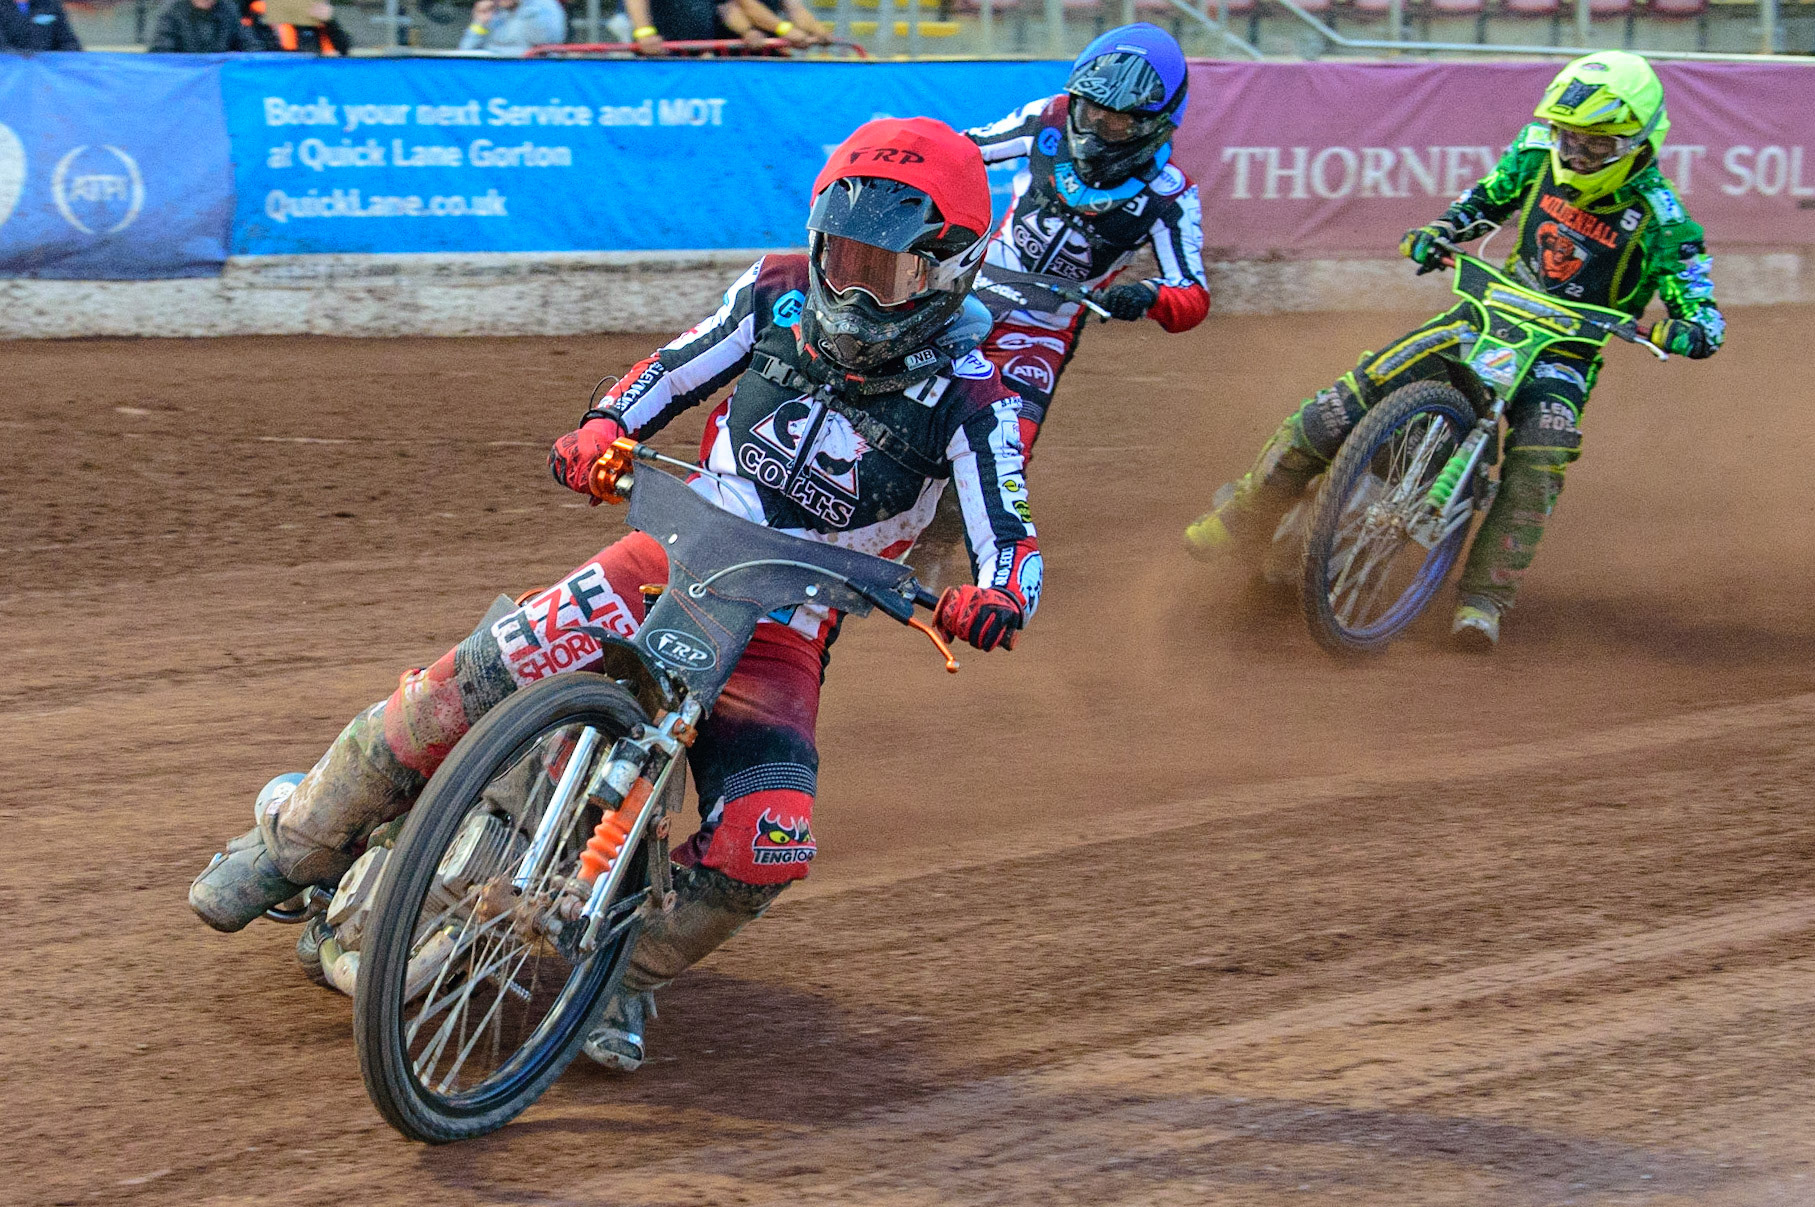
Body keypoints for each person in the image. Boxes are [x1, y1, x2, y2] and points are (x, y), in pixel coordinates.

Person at [187, 117, 1042, 1073]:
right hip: (665, 558)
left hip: (783, 625)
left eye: (882, 271)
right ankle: (291, 846)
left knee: (767, 841)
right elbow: (671, 369)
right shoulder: (774, 295)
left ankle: (617, 973)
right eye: (840, 257)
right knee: (470, 678)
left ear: (951, 269)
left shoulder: (977, 398)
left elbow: (1010, 533)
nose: (850, 289)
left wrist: (999, 595)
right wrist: (603, 424)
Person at [1183, 51, 1725, 648]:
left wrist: (1685, 330)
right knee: (1343, 402)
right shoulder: (1535, 152)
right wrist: (1440, 231)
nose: (1575, 155)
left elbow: (1703, 313)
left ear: (1641, 140)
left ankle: (1483, 600)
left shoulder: (1665, 220)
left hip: (1563, 354)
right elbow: (1485, 202)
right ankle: (1246, 515)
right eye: (1569, 137)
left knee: (1540, 457)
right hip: (1485, 313)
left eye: (1596, 146)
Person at [965, 23, 1208, 454]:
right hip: (968, 292)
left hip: (1044, 328)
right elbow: (962, 150)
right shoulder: (1048, 119)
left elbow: (1193, 294)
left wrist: (1149, 296)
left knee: (1004, 450)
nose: (1096, 128)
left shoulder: (1171, 195)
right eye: (1091, 112)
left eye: (1115, 122)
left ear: (1152, 127)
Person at [458, 0, 565, 54]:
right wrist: (480, 22)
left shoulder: (543, 6)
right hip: (490, 70)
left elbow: (547, 44)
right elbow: (466, 49)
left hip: (526, 71)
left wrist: (524, 7)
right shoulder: (495, 11)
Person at [243, 0, 350, 53]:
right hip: (285, 75)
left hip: (321, 76)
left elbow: (344, 48)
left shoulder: (321, 16)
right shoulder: (261, 11)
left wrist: (331, 22)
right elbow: (257, 49)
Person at [148, 0, 255, 51]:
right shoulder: (172, 12)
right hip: (185, 80)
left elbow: (250, 45)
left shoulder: (229, 10)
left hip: (219, 79)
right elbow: (162, 53)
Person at [0, 0, 81, 50]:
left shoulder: (50, 5)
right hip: (10, 69)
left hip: (47, 69)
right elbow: (3, 47)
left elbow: (68, 42)